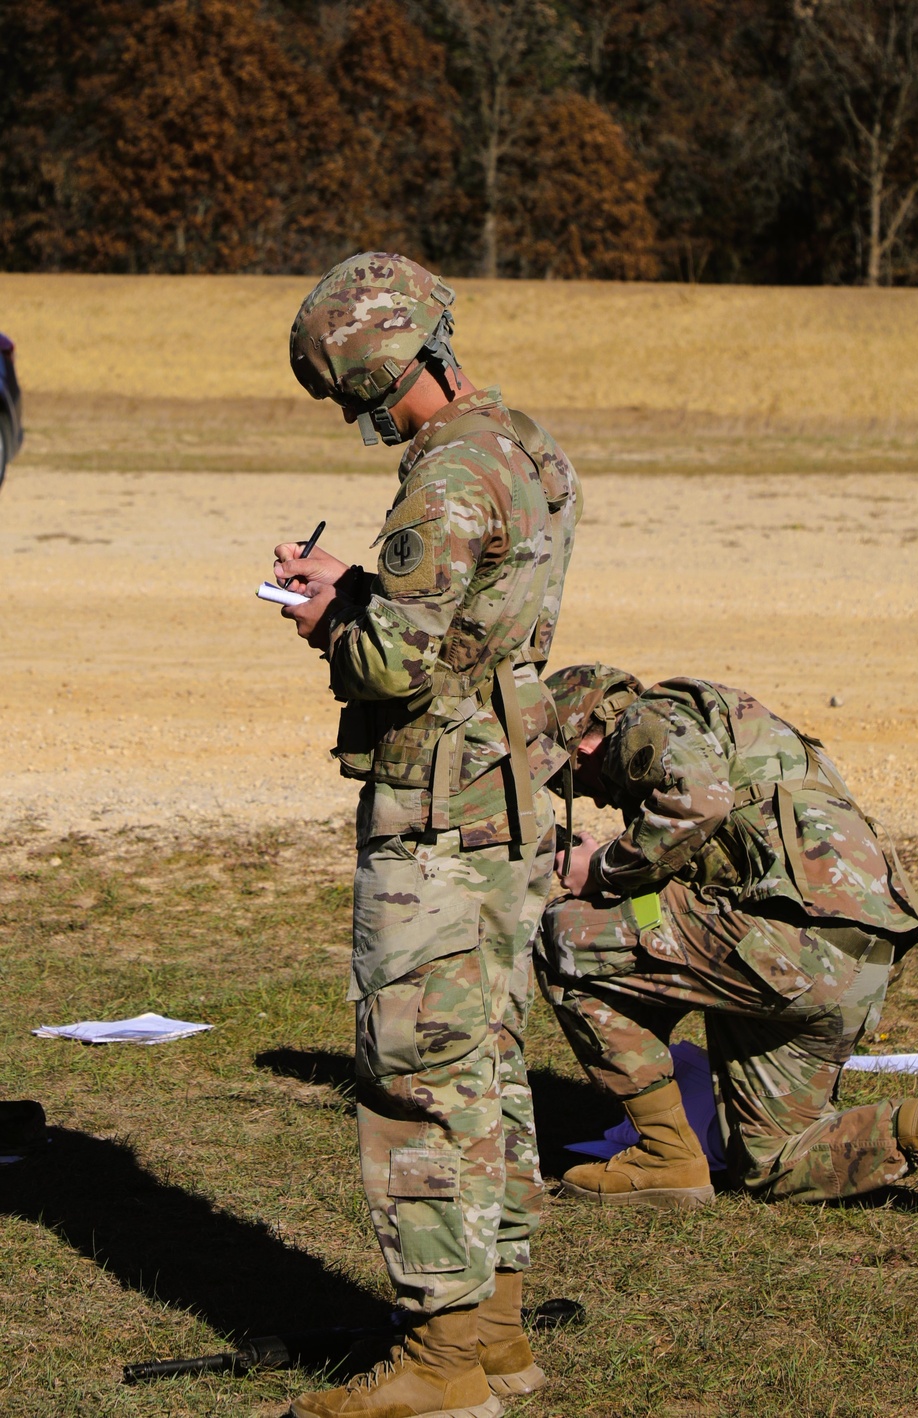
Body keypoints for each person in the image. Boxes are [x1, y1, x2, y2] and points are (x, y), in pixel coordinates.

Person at [274, 253, 582, 1418]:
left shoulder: (441, 478)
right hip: (509, 802)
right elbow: (469, 611)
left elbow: (396, 659)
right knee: (486, 1062)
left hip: (435, 812)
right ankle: (495, 1331)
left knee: (414, 1070)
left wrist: (326, 621)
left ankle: (441, 1365)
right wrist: (361, 580)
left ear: (374, 378)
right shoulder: (520, 443)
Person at [534, 665, 918, 1235]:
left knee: (564, 931)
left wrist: (600, 870)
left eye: (569, 782)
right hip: (854, 961)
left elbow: (694, 807)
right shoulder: (728, 728)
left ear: (582, 740)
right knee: (770, 1160)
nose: (594, 800)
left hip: (795, 949)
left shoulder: (646, 718)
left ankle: (666, 1155)